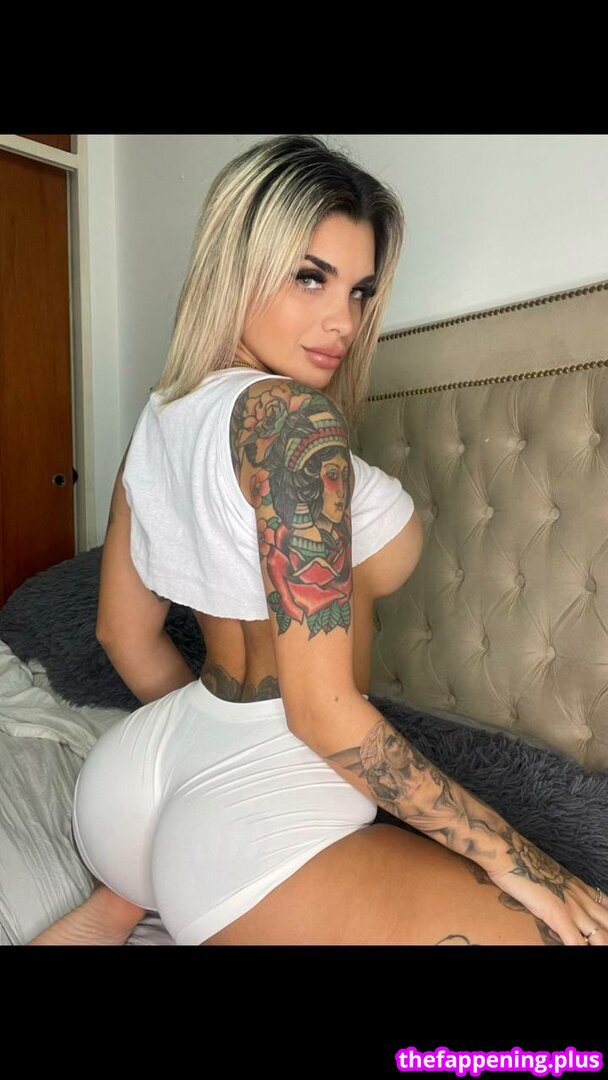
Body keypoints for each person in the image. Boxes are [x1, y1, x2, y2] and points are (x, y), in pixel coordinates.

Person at [28, 134, 608, 946]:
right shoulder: (291, 422)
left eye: (360, 290)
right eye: (310, 277)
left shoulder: (162, 413)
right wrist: (523, 863)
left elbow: (122, 635)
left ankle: (125, 897)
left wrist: (197, 780)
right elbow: (322, 711)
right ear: (235, 267)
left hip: (136, 777)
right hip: (254, 801)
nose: (344, 321)